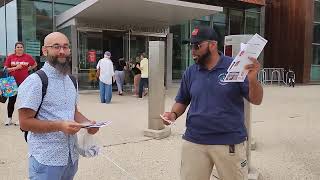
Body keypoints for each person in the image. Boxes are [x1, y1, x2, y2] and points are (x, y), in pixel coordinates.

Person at [161, 26, 263, 180]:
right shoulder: (190, 72)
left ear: (213, 45)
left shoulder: (234, 67)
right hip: (194, 140)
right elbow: (182, 100)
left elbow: (257, 100)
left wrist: (253, 79)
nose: (193, 51)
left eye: (197, 46)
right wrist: (173, 114)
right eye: (191, 46)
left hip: (229, 142)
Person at [17, 32, 99, 180]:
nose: (62, 51)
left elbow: (73, 112)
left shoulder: (71, 80)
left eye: (65, 47)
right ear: (44, 50)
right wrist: (59, 126)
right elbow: (24, 122)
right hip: (46, 159)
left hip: (70, 157)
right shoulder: (35, 81)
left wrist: (88, 124)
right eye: (56, 47)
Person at [4, 41, 37, 126]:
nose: (19, 48)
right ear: (15, 48)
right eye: (18, 47)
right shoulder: (10, 57)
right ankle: (9, 118)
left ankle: (20, 119)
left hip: (24, 82)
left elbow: (34, 64)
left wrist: (28, 69)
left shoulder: (28, 57)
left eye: (21, 47)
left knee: (22, 101)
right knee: (11, 100)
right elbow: (6, 69)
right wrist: (16, 68)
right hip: (12, 82)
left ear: (23, 48)